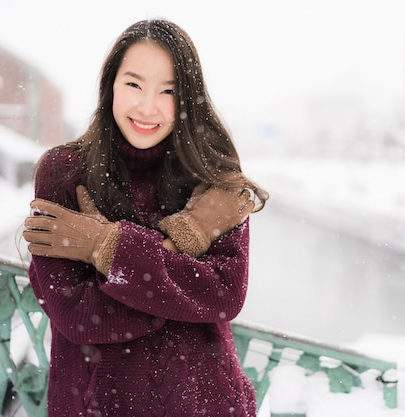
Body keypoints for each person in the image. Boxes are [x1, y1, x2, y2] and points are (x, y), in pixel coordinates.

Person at [22, 18, 268, 417]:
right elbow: (80, 318)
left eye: (169, 91)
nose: (148, 107)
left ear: (188, 99)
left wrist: (106, 248)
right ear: (111, 86)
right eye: (134, 84)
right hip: (94, 405)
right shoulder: (64, 172)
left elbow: (224, 295)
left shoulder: (215, 179)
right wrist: (184, 247)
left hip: (205, 405)